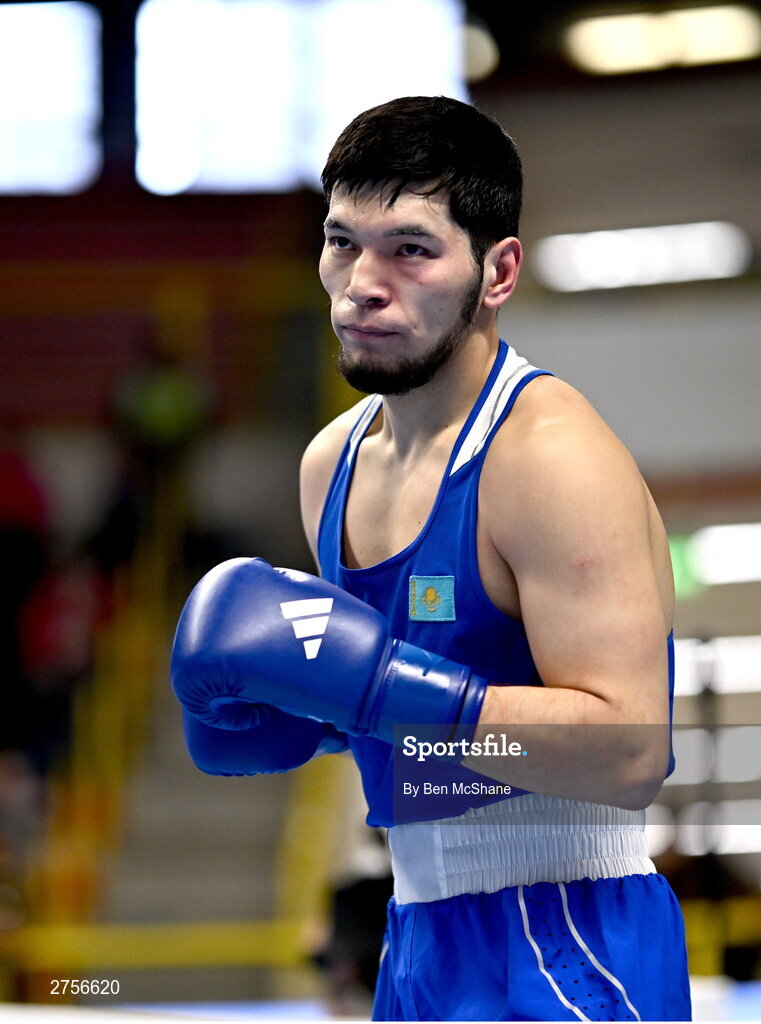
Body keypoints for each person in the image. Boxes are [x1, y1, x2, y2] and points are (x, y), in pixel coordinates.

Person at [171, 96, 691, 1021]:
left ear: (496, 271)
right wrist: (323, 714)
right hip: (416, 934)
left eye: (410, 249)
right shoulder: (329, 464)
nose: (360, 283)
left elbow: (628, 749)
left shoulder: (548, 456)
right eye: (341, 242)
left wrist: (376, 692)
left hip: (566, 930)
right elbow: (410, 706)